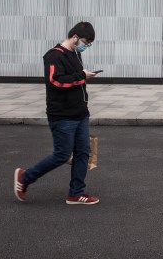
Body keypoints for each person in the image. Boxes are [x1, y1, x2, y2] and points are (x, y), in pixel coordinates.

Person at [14, 21, 101, 205]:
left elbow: (75, 81)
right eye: (86, 41)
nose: (86, 46)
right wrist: (82, 76)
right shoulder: (54, 56)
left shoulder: (76, 55)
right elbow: (56, 82)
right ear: (75, 37)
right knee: (62, 154)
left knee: (83, 153)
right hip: (62, 116)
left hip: (80, 113)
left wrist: (83, 76)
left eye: (89, 44)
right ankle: (25, 177)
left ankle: (76, 193)